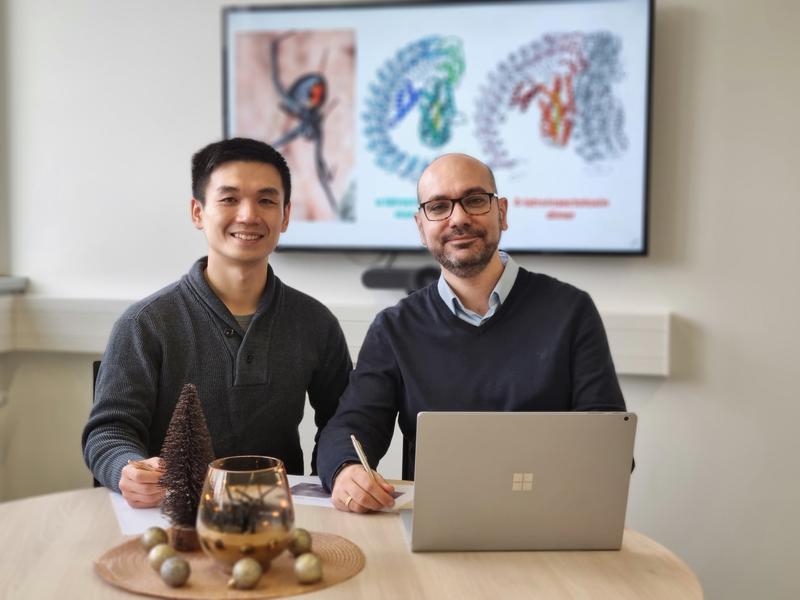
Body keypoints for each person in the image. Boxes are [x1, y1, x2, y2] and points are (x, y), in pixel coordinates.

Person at [317, 153, 626, 513]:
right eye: (439, 207)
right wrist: (346, 470)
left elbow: (608, 442)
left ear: (503, 213)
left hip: (549, 522)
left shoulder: (571, 312)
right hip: (438, 525)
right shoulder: (394, 329)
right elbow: (350, 428)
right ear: (421, 227)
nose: (459, 218)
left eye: (475, 200)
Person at [82, 138, 352, 508]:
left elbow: (341, 423)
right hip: (169, 518)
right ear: (198, 213)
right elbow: (109, 431)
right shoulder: (145, 323)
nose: (248, 215)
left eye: (266, 200)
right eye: (229, 199)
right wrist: (126, 468)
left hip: (276, 518)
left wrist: (339, 471)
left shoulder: (316, 323)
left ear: (285, 216)